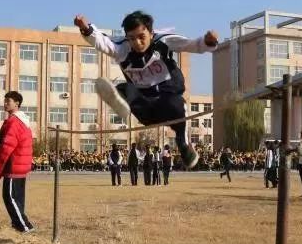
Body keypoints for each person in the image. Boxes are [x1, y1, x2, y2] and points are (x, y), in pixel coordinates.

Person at [74, 11, 218, 169]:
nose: (137, 42)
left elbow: (191, 44)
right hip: (145, 106)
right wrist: (85, 28)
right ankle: (121, 102)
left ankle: (184, 147)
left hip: (167, 98)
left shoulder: (163, 41)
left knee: (177, 104)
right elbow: (101, 41)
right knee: (125, 88)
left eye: (141, 37)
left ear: (151, 33)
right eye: (131, 38)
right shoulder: (122, 48)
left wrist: (207, 41)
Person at [0, 91, 35, 233]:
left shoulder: (14, 122)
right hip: (20, 166)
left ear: (17, 103)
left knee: (9, 196)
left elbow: (6, 148)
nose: (5, 103)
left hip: (13, 165)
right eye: (4, 101)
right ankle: (21, 225)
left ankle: (24, 226)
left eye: (8, 101)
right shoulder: (23, 121)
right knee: (17, 198)